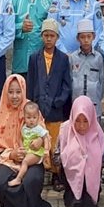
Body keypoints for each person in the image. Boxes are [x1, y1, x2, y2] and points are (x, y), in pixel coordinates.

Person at [0, 74, 54, 207]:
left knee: (32, 180)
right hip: (8, 160)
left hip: (31, 158)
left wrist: (40, 141)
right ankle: (19, 205)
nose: (14, 96)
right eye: (11, 92)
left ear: (23, 91)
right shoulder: (1, 113)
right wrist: (11, 154)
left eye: (18, 92)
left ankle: (17, 205)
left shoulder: (31, 110)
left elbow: (45, 133)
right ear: (6, 92)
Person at [26, 18, 72, 179]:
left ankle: (56, 174)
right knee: (38, 139)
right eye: (46, 35)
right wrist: (31, 105)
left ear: (57, 37)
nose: (49, 39)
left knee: (54, 142)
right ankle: (40, 171)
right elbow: (31, 83)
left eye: (52, 36)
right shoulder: (34, 58)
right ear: (42, 36)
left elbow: (67, 84)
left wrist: (59, 100)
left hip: (55, 108)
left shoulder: (63, 59)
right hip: (38, 108)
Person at [54, 96, 104, 207]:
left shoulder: (96, 130)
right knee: (72, 200)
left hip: (91, 178)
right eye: (77, 120)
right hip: (70, 175)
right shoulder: (66, 129)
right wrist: (72, 157)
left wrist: (90, 161)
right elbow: (55, 156)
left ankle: (89, 194)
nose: (81, 125)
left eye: (85, 121)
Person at [10, 0, 55, 76]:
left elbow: (55, 29)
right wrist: (20, 27)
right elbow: (5, 28)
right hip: (21, 62)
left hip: (44, 62)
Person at [68, 18, 104, 119]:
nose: (86, 40)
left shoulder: (98, 57)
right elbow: (70, 79)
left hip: (94, 103)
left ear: (93, 37)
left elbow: (102, 81)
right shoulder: (73, 58)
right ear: (77, 38)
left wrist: (97, 96)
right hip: (76, 103)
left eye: (89, 37)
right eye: (82, 37)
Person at [8, 102, 49, 187]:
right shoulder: (24, 128)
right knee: (21, 160)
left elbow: (46, 138)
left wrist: (46, 150)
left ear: (38, 117)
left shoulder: (38, 128)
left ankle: (18, 179)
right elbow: (21, 138)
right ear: (24, 117)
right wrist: (22, 147)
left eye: (34, 117)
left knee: (25, 162)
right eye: (28, 117)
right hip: (28, 151)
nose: (31, 120)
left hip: (36, 153)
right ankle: (21, 173)